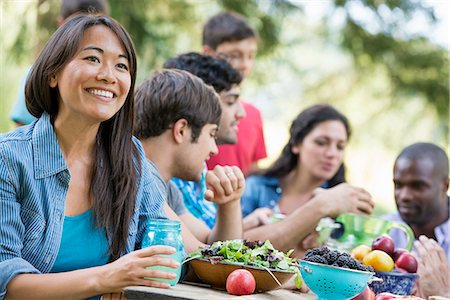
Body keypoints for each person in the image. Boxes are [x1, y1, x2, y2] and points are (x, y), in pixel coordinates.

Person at [0, 15, 179, 299]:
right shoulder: (8, 158)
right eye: (93, 59)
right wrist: (107, 278)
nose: (109, 75)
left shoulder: (131, 160)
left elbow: (163, 253)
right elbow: (6, 282)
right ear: (52, 74)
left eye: (121, 65)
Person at [241, 104, 374, 257]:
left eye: (340, 146)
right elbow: (229, 244)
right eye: (321, 142)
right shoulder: (257, 188)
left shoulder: (343, 204)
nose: (332, 153)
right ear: (297, 144)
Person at [134, 69, 244, 252]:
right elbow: (203, 262)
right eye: (211, 134)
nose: (214, 149)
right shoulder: (138, 174)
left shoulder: (169, 190)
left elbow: (213, 245)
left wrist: (229, 203)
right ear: (181, 130)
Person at [163, 52, 245, 229]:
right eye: (231, 102)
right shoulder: (160, 179)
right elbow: (203, 250)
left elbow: (210, 245)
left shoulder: (196, 170)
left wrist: (230, 204)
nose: (241, 113)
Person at [9, 0, 109, 126]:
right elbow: (21, 127)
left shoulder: (111, 80)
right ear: (61, 24)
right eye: (77, 25)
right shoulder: (36, 74)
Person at [202, 11, 267, 176]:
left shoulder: (252, 114)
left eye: (251, 56)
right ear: (208, 53)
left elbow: (252, 172)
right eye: (235, 55)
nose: (245, 64)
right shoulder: (188, 106)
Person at [384, 142, 449, 297]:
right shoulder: (384, 231)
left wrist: (443, 294)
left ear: (445, 186)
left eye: (417, 186)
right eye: (398, 185)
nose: (404, 195)